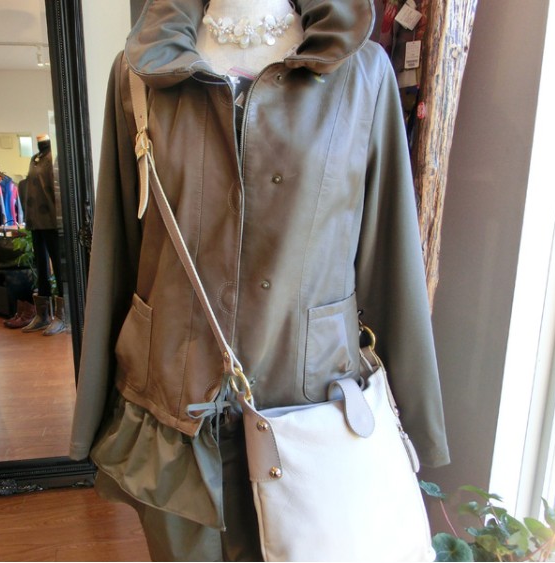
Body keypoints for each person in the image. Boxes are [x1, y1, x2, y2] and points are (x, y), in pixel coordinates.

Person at [71, 0, 450, 560]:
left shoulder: (362, 71)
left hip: (311, 411)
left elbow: (388, 251)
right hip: (175, 417)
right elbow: (119, 245)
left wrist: (416, 419)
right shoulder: (140, 71)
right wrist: (92, 411)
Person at [20, 133, 66, 336]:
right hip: (35, 220)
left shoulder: (53, 157)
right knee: (41, 267)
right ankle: (42, 315)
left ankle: (62, 316)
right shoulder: (35, 158)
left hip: (52, 220)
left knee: (59, 267)